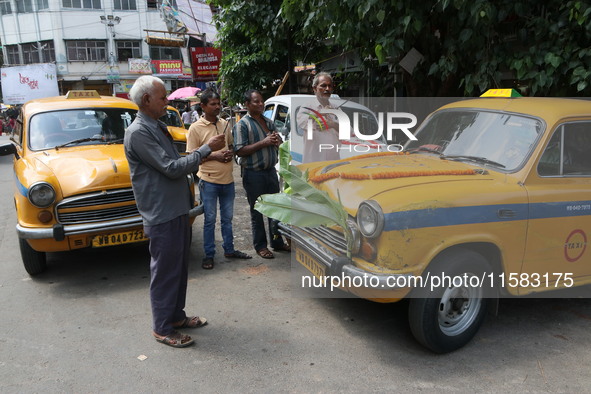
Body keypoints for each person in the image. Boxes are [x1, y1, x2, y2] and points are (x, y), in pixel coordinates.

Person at [124, 75, 225, 348]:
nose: (166, 101)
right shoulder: (139, 133)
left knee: (178, 269)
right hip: (162, 213)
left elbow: (174, 161)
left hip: (177, 209)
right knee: (166, 272)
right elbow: (171, 168)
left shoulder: (157, 126)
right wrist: (206, 149)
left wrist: (207, 155)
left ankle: (176, 316)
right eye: (162, 98)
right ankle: (162, 327)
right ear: (146, 100)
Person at [186, 89, 252, 269]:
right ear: (203, 106)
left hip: (228, 181)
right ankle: (209, 255)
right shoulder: (195, 128)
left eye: (218, 103)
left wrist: (229, 153)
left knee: (227, 219)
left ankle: (229, 249)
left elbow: (229, 145)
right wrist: (215, 156)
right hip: (208, 181)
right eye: (213, 104)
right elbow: (191, 156)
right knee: (209, 220)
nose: (217, 107)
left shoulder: (224, 124)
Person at [232, 89, 290, 259]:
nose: (260, 104)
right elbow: (240, 150)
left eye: (261, 101)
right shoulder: (242, 125)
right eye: (256, 101)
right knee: (257, 211)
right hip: (253, 174)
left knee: (275, 210)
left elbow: (275, 142)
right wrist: (263, 142)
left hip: (270, 171)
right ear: (247, 104)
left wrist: (277, 141)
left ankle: (277, 242)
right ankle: (261, 246)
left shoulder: (268, 122)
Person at [300, 72, 341, 163]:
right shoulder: (306, 107)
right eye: (323, 86)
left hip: (333, 163)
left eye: (330, 86)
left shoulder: (336, 108)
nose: (327, 89)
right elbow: (302, 123)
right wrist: (318, 114)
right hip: (313, 162)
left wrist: (333, 124)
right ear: (315, 88)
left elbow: (348, 132)